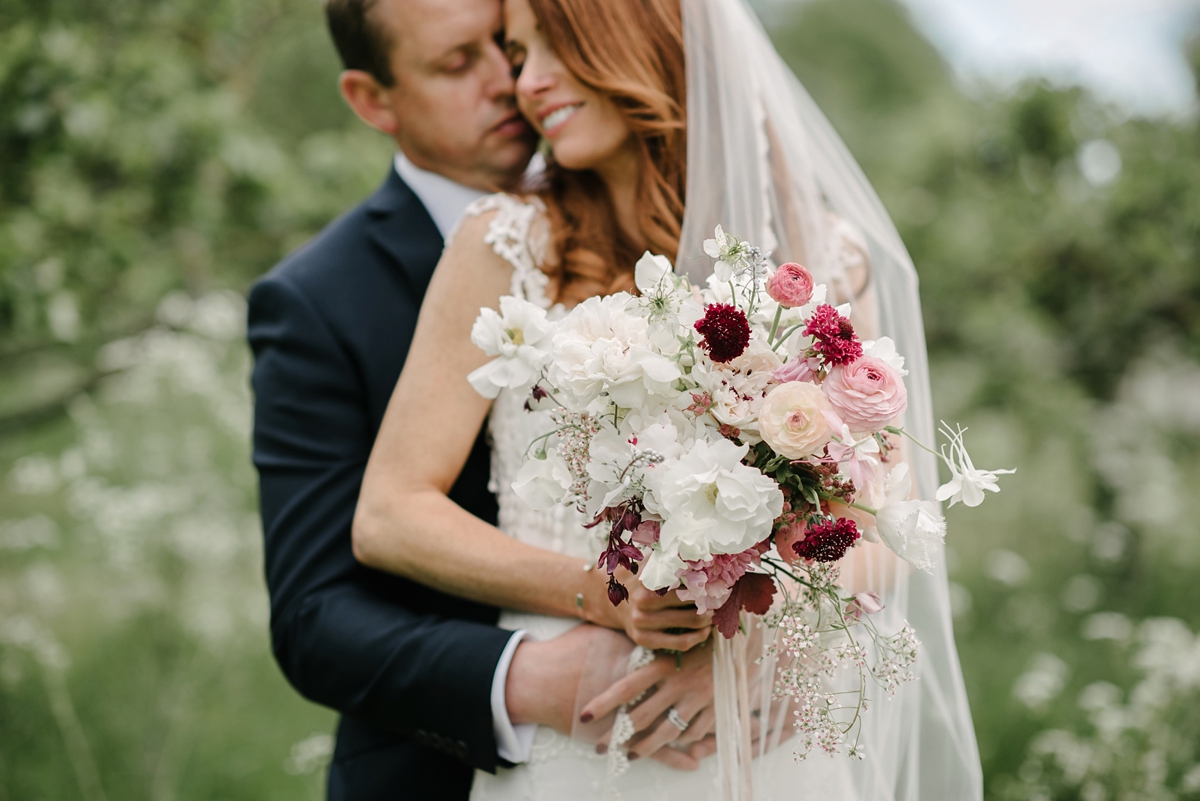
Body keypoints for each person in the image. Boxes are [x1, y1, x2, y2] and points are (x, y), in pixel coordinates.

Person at [352, 0, 987, 797]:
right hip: (589, 717)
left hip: (767, 720)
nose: (530, 83)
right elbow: (389, 515)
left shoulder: (819, 256)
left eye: (561, 45)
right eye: (520, 54)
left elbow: (890, 525)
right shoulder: (504, 243)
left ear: (646, 37)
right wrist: (608, 597)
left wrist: (757, 642)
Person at [248, 1, 709, 798]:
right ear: (372, 99)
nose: (513, 82)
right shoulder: (317, 298)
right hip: (447, 768)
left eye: (512, 46)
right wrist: (528, 678)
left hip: (713, 731)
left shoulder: (700, 224)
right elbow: (313, 616)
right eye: (459, 64)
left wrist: (737, 654)